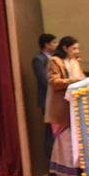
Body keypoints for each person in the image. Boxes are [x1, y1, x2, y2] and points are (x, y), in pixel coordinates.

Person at [45, 36, 84, 176]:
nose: (77, 51)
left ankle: (76, 172)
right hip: (60, 108)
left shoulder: (75, 62)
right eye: (74, 48)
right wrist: (74, 81)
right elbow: (54, 82)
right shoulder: (55, 61)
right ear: (65, 48)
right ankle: (67, 173)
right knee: (65, 141)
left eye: (77, 48)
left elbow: (82, 80)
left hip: (74, 108)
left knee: (75, 141)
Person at [33, 32, 57, 162]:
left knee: (58, 130)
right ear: (46, 45)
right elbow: (44, 80)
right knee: (50, 131)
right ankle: (51, 161)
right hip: (47, 100)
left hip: (57, 99)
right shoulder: (39, 59)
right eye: (54, 42)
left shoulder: (55, 58)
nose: (56, 45)